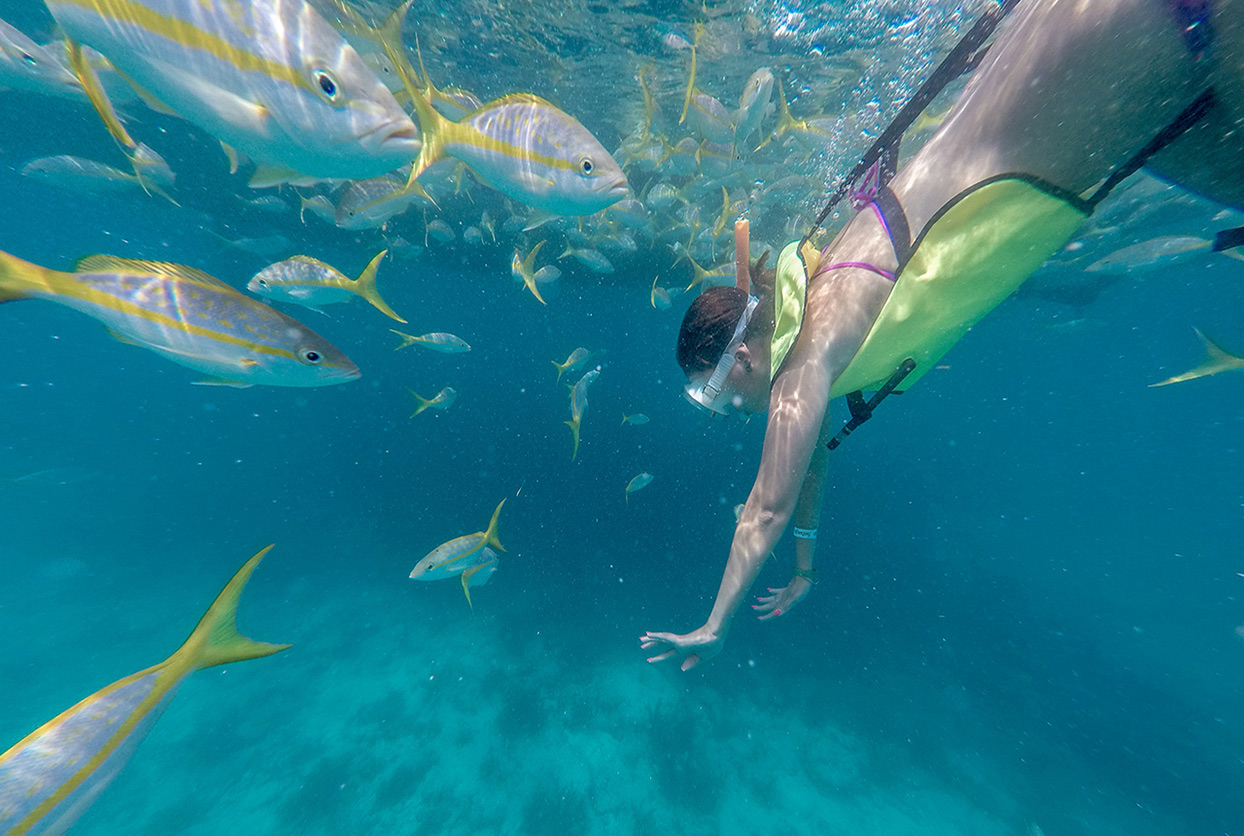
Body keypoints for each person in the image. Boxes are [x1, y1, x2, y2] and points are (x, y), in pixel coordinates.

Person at [641, 0, 1243, 670]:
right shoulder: (819, 312)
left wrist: (714, 623)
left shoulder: (807, 359)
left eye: (716, 398)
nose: (730, 413)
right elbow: (806, 461)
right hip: (1140, 67)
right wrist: (806, 568)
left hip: (1160, 36)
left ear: (742, 359)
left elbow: (764, 506)